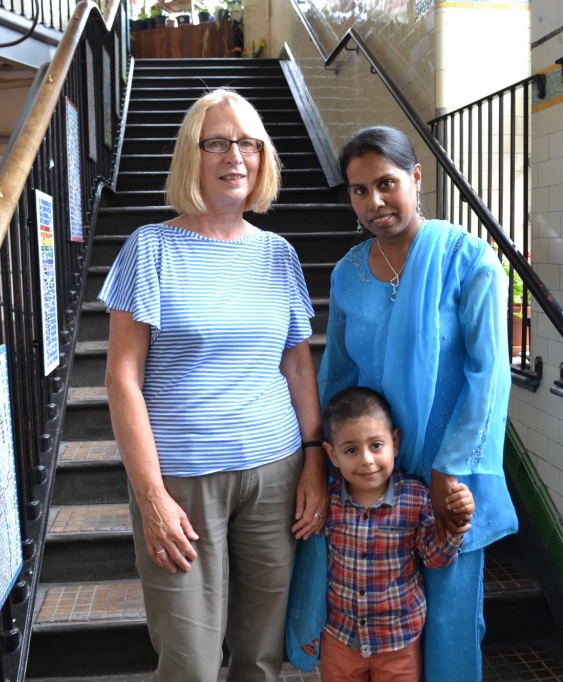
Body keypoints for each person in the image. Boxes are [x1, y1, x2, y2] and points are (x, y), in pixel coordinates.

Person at [99, 88, 328, 682]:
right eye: (218, 143)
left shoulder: (279, 255)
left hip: (275, 472)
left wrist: (313, 461)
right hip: (182, 482)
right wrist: (151, 499)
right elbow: (122, 379)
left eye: (249, 143)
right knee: (191, 664)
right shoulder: (150, 248)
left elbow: (297, 366)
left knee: (260, 656)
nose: (236, 156)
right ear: (191, 156)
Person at [317, 125, 519, 680]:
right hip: (369, 473)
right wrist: (328, 459)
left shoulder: (467, 260)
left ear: (416, 177)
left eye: (386, 183)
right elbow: (336, 376)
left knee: (450, 625)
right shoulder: (348, 273)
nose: (374, 202)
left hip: (443, 477)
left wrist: (447, 470)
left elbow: (489, 374)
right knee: (374, 618)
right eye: (358, 190)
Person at [320, 386, 474, 681]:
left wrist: (455, 521)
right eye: (351, 450)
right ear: (332, 454)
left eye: (376, 445)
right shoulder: (328, 502)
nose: (366, 459)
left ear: (395, 442)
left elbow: (434, 558)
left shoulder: (415, 497)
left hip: (398, 641)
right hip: (340, 637)